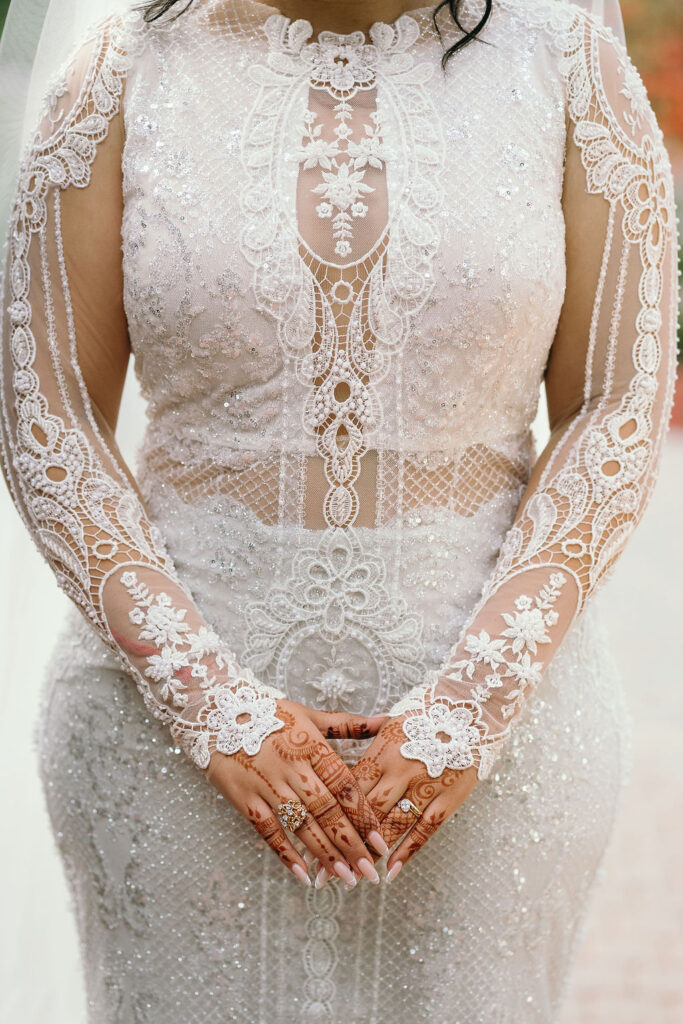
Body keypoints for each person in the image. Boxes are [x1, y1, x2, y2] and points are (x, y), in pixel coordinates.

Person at [0, 0, 678, 1020]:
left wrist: (475, 702)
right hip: (166, 760)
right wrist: (207, 705)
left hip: (494, 777)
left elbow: (614, 404)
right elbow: (45, 414)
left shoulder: (564, 52)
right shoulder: (122, 65)